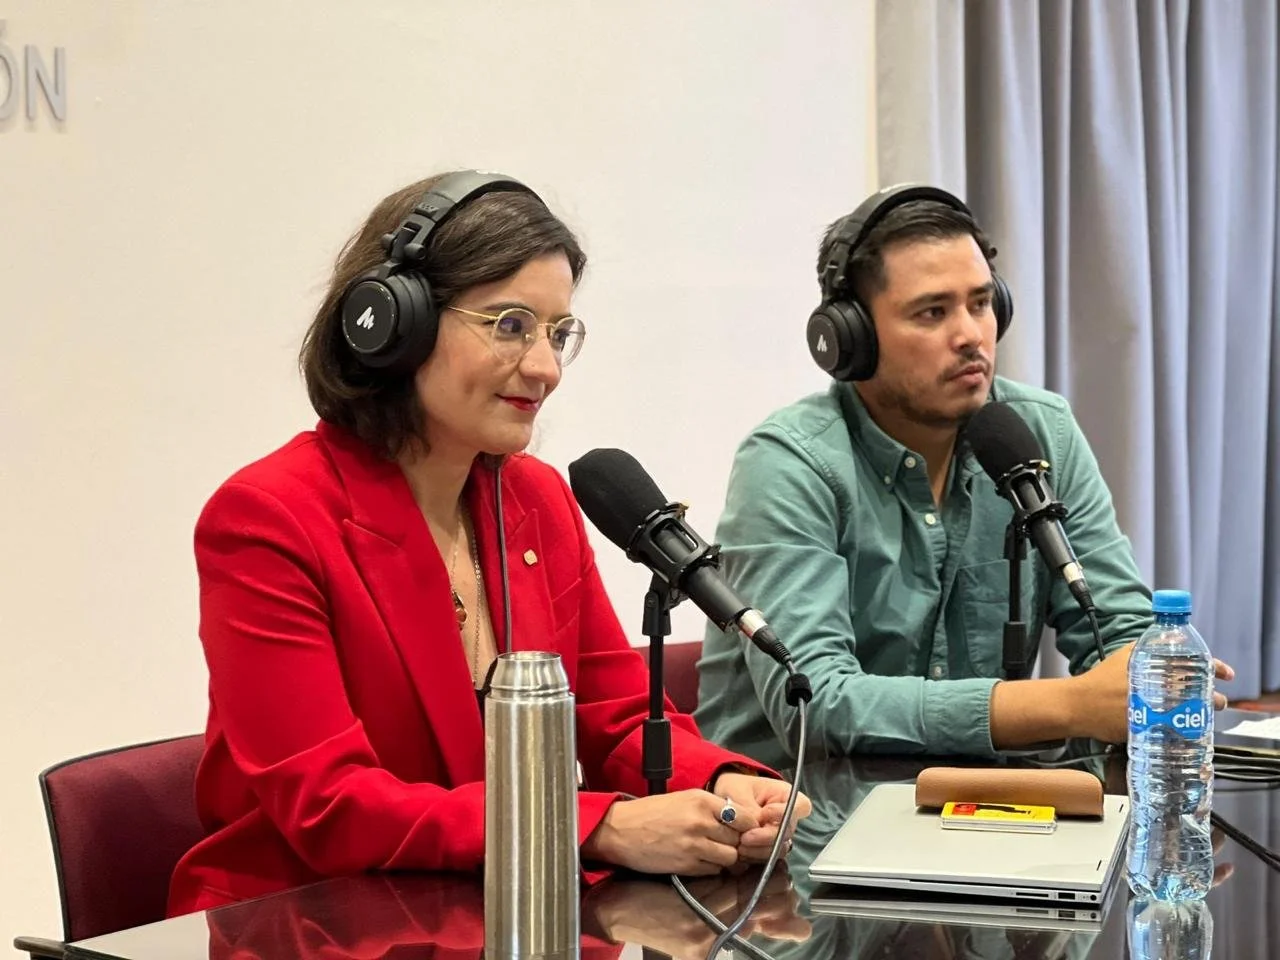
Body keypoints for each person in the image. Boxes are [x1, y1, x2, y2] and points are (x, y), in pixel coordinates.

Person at [168, 170, 810, 916]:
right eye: (510, 325)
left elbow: (616, 718)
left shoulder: (535, 499)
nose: (545, 368)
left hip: (487, 910)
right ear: (395, 324)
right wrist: (595, 827)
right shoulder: (268, 518)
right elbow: (329, 804)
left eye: (558, 333)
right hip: (305, 921)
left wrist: (725, 787)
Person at [694, 184, 1234, 768]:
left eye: (981, 303)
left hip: (991, 803)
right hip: (805, 809)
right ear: (852, 337)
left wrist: (1149, 672)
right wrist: (1068, 705)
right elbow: (816, 701)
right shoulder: (788, 463)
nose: (971, 335)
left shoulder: (1041, 431)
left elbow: (1115, 626)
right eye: (933, 312)